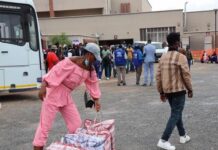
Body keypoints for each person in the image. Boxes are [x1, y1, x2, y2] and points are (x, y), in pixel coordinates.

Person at [32, 43, 102, 150]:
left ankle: (72, 146)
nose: (95, 60)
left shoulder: (90, 69)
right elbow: (55, 72)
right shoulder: (72, 61)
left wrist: (96, 100)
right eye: (94, 57)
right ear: (88, 54)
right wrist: (44, 85)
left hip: (66, 96)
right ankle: (38, 147)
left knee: (76, 125)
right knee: (45, 126)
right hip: (53, 93)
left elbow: (93, 83)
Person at [156, 32, 193, 150]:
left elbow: (158, 77)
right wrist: (190, 89)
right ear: (177, 43)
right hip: (179, 90)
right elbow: (186, 75)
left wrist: (161, 92)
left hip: (167, 91)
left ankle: (183, 136)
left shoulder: (162, 57)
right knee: (176, 114)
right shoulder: (181, 57)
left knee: (176, 113)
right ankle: (163, 140)